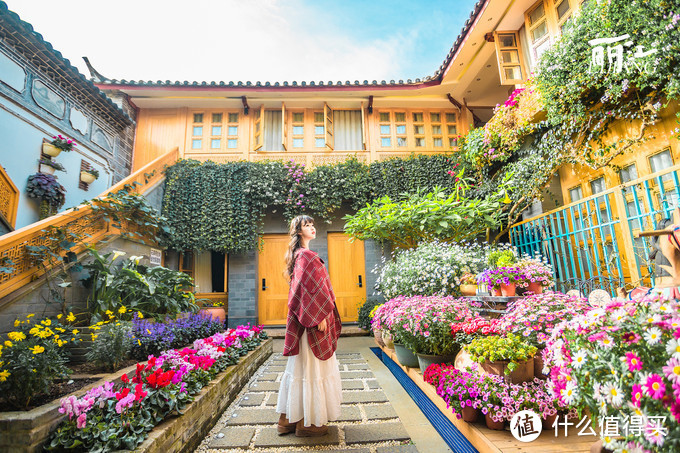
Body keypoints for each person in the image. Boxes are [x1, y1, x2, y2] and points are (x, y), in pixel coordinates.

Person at [276, 215, 342, 437]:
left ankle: (287, 420)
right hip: (312, 321)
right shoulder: (306, 255)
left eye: (313, 224)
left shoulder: (298, 255)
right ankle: (307, 423)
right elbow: (307, 288)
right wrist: (318, 315)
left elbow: (304, 288)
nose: (312, 227)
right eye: (307, 225)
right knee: (312, 367)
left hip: (306, 320)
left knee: (300, 367)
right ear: (298, 231)